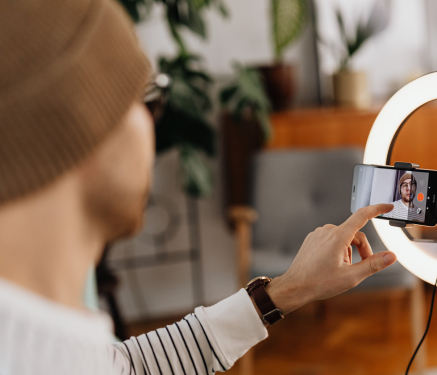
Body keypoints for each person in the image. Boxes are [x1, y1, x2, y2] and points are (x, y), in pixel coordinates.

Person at [0, 0, 398, 373]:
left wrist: (284, 291)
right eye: (148, 97)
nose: (153, 124)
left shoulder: (50, 348)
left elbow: (123, 365)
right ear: (80, 128)